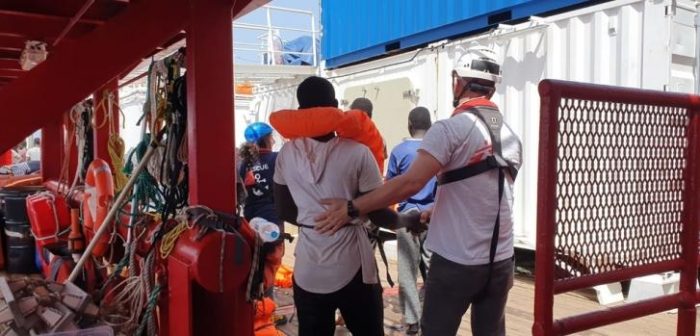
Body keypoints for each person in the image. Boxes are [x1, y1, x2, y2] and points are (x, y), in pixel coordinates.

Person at [315, 46, 522, 336]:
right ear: (492, 88)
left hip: (457, 262)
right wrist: (435, 211)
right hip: (501, 261)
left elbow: (409, 183)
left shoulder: (451, 129)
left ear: (457, 82)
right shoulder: (510, 136)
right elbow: (488, 193)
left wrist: (352, 207)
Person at [273, 76, 396, 336]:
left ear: (299, 112)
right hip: (353, 265)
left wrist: (316, 220)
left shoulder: (286, 154)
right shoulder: (358, 152)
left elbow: (283, 209)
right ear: (336, 106)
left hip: (308, 266)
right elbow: (378, 211)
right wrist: (407, 222)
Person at [385, 106, 436, 335]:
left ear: (409, 124)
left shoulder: (399, 151)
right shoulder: (437, 150)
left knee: (407, 271)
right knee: (434, 270)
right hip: (434, 218)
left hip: (407, 218)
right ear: (431, 126)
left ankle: (413, 320)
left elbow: (391, 187)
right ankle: (434, 315)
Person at [238, 122, 283, 297]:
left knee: (254, 260)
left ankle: (253, 303)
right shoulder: (277, 159)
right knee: (270, 262)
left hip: (250, 222)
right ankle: (265, 306)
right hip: (273, 219)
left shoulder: (244, 164)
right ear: (268, 139)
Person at [350, 97, 388, 167]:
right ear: (371, 115)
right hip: (374, 176)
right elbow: (384, 156)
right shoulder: (381, 139)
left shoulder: (345, 138)